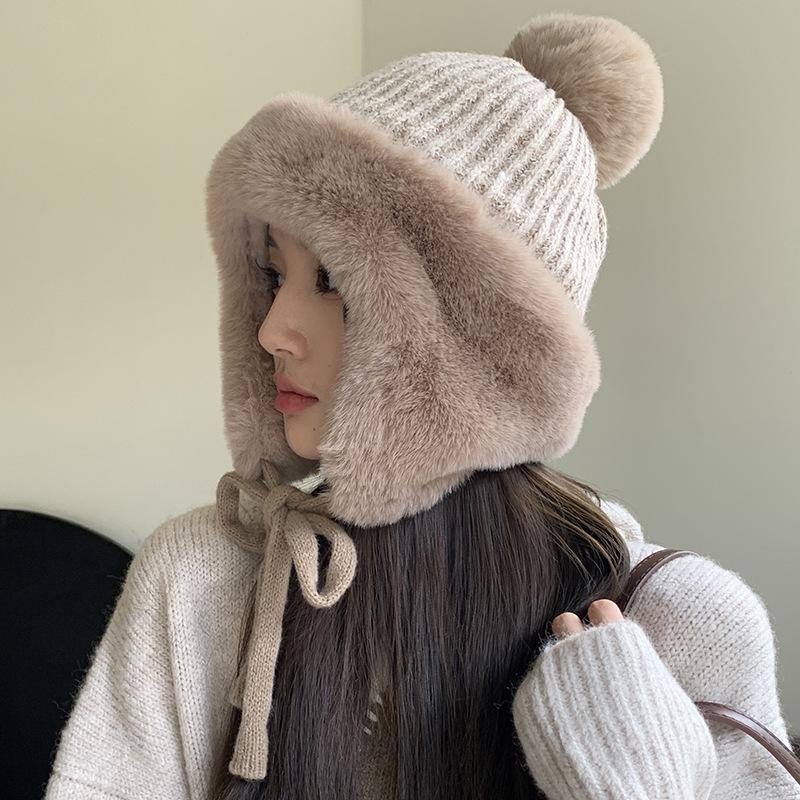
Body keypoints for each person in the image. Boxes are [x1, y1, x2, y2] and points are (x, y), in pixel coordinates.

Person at [44, 11, 800, 800]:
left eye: (333, 279)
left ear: (477, 334)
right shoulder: (198, 578)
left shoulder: (685, 622)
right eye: (273, 275)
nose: (272, 330)